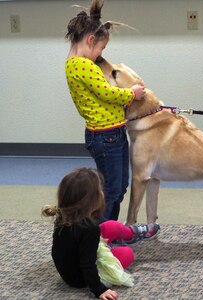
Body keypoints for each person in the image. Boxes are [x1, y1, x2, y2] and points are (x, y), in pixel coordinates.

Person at [64, 0, 148, 223]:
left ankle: (106, 232)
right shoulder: (83, 65)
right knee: (112, 190)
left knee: (118, 186)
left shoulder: (76, 64)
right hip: (105, 137)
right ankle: (101, 237)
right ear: (90, 40)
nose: (101, 54)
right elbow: (107, 93)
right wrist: (132, 94)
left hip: (112, 133)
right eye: (101, 48)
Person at [42, 167, 157, 299]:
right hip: (79, 278)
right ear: (91, 201)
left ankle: (131, 234)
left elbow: (57, 251)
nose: (103, 193)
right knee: (126, 254)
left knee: (110, 226)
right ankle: (117, 243)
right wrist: (99, 290)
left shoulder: (64, 215)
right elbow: (87, 264)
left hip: (69, 268)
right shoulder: (89, 229)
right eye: (100, 190)